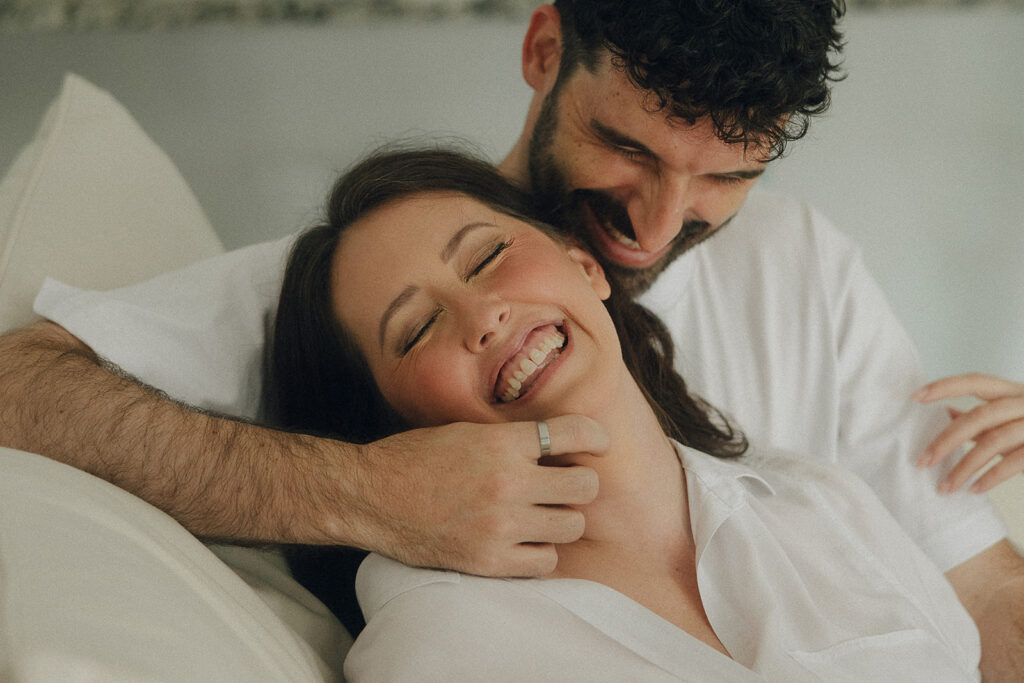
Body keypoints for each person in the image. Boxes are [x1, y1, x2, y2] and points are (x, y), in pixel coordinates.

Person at [1, 0, 1023, 676]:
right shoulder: (334, 285)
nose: (658, 229)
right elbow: (19, 391)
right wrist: (369, 494)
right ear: (543, 51)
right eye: (627, 147)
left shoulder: (803, 272)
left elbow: (984, 597)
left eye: (723, 178)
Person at [267, 147, 981, 681]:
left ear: (585, 265)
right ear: (397, 431)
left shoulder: (823, 505)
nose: (482, 316)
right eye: (417, 329)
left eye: (487, 257)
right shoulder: (437, 641)